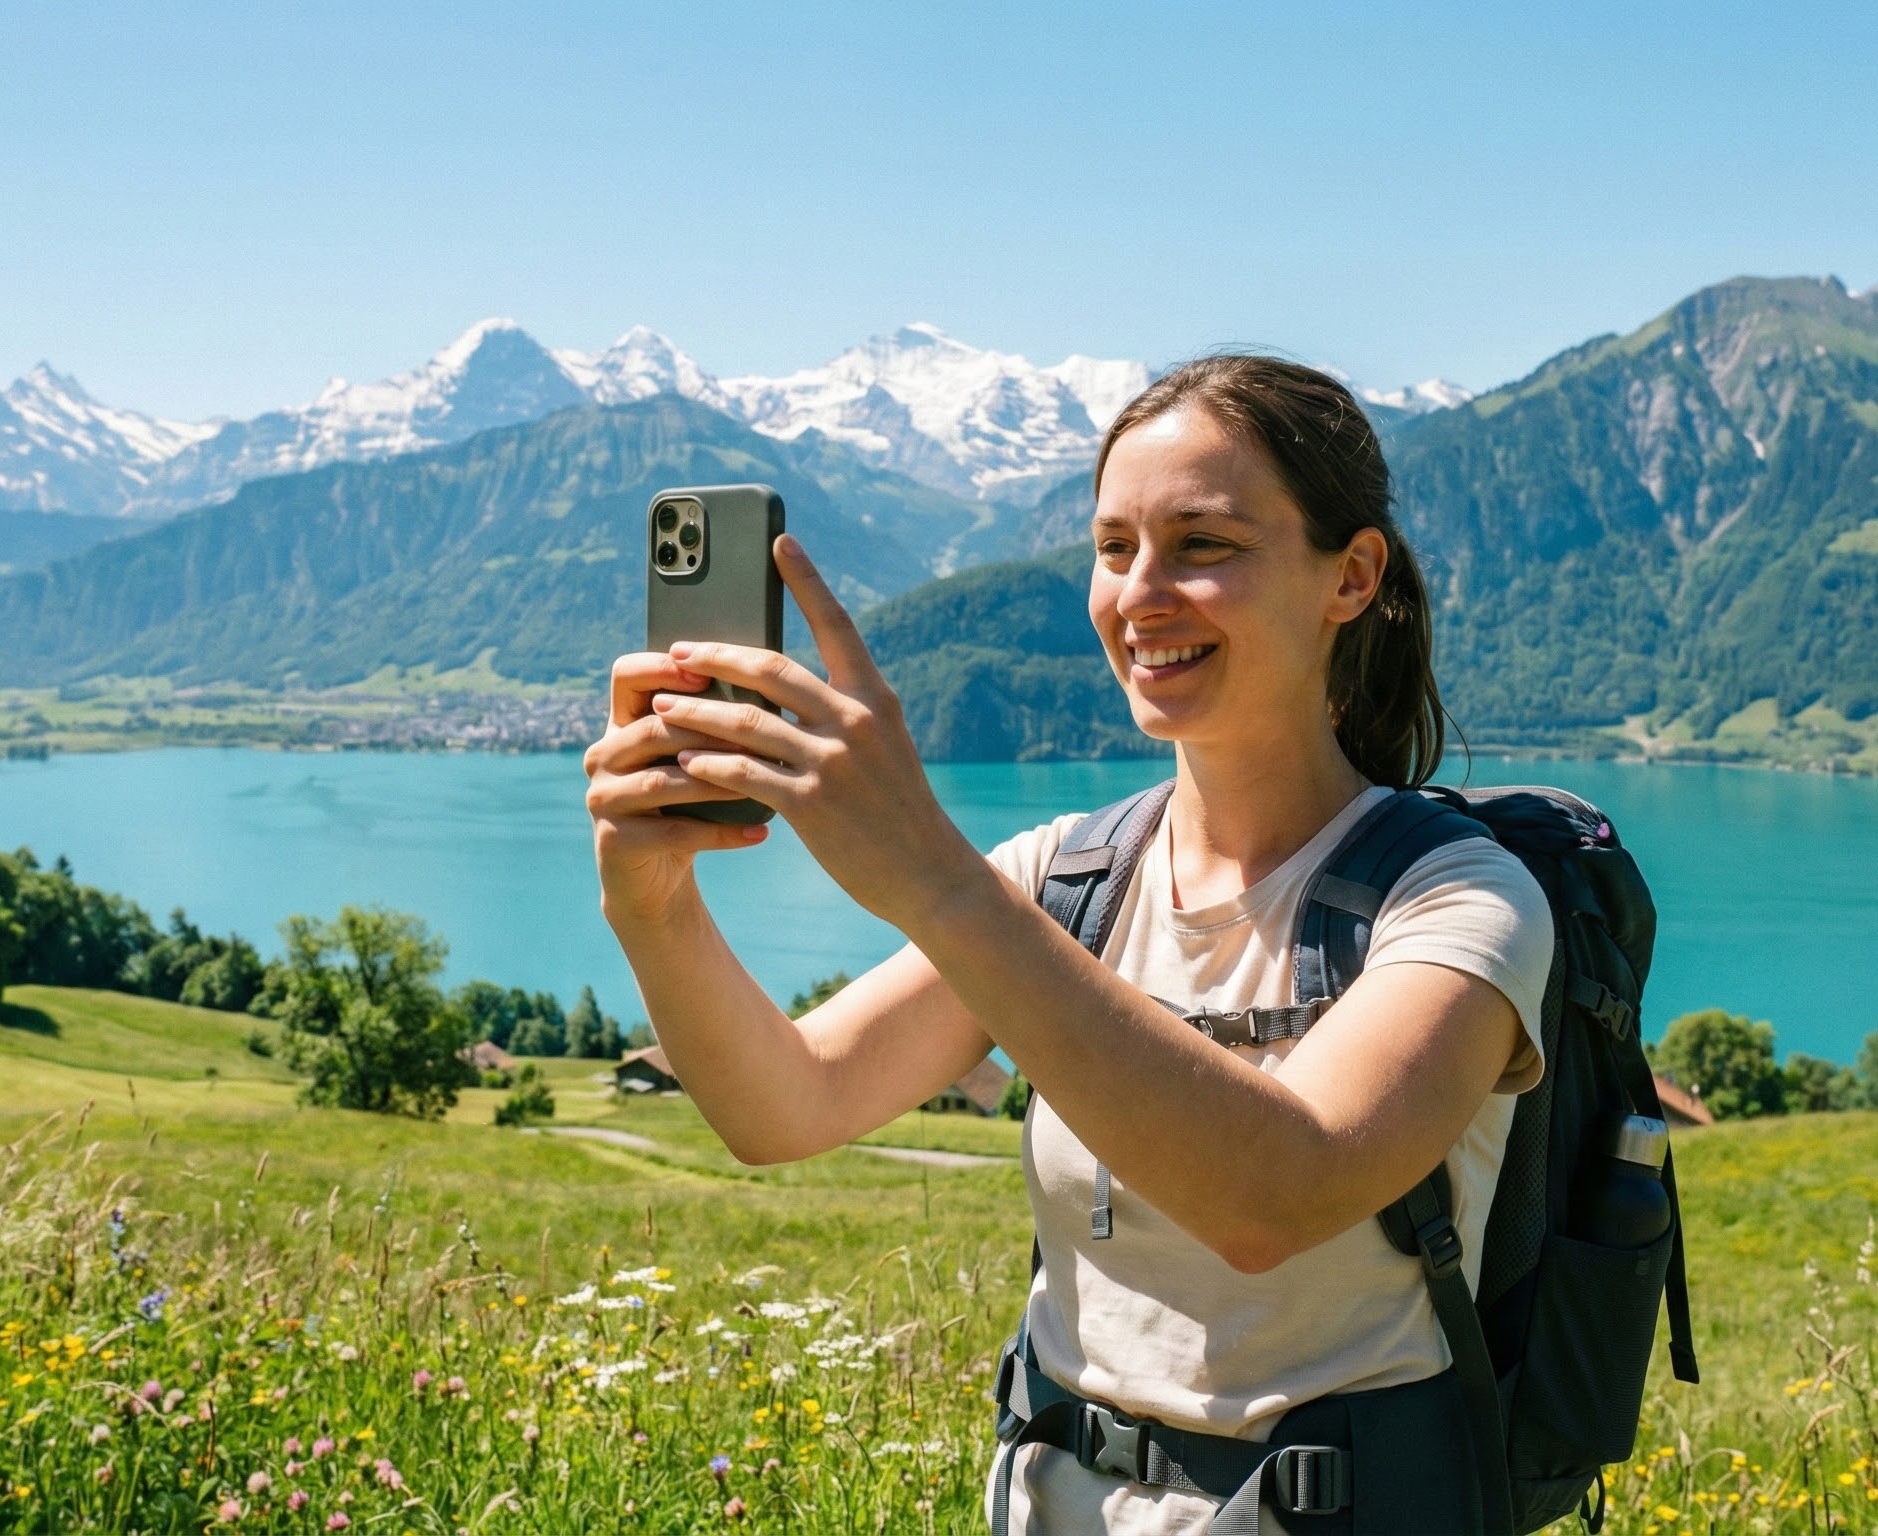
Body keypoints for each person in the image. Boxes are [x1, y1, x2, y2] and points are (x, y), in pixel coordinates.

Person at [581, 354, 1553, 1534]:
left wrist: (934, 878)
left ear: (1349, 578)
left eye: (1203, 545)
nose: (1140, 595)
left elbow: (1274, 1195)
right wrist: (652, 906)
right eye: (1111, 548)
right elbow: (784, 1107)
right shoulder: (1066, 880)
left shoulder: (1457, 898)